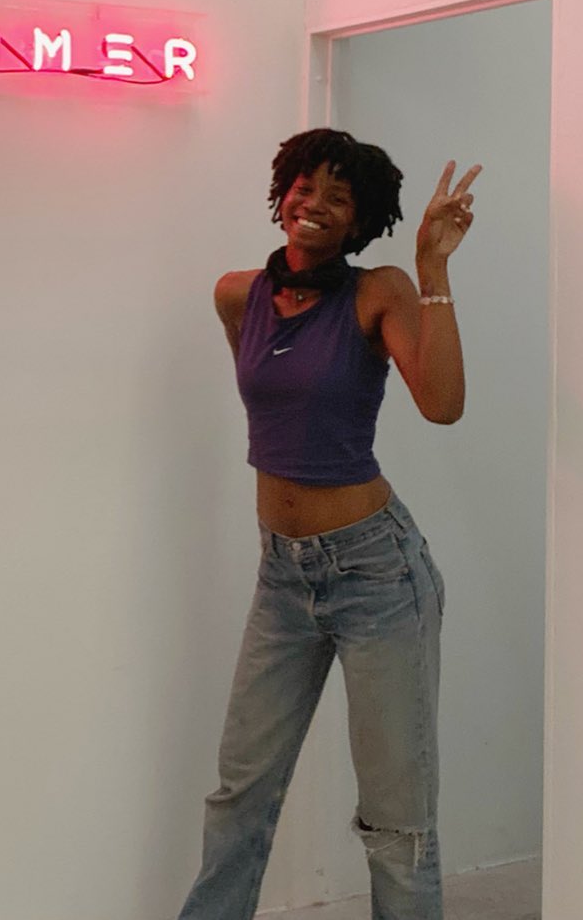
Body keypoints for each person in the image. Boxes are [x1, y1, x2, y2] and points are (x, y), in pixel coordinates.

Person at [177, 128, 481, 920]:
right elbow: (277, 405)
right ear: (282, 191)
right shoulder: (237, 295)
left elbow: (443, 403)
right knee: (240, 791)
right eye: (304, 186)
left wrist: (433, 269)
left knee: (395, 817)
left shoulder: (378, 292)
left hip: (377, 574)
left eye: (337, 197)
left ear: (360, 220)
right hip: (282, 576)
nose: (313, 204)